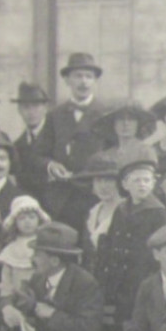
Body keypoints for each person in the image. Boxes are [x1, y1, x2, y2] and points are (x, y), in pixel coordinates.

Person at [95, 154, 166, 326]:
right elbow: (111, 242)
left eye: (146, 180)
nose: (142, 185)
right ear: (125, 185)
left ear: (153, 184)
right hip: (120, 283)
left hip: (143, 282)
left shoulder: (158, 213)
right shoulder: (121, 209)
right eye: (136, 181)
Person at [44, 53, 110, 224]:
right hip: (61, 199)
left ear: (95, 81)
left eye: (89, 76)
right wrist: (51, 165)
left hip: (94, 196)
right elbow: (39, 153)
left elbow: (114, 153)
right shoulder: (55, 115)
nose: (83, 82)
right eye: (78, 76)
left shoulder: (106, 114)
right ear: (67, 80)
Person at [75, 152, 127, 302]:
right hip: (91, 286)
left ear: (118, 183)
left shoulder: (127, 211)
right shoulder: (92, 212)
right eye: (98, 180)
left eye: (109, 180)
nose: (103, 186)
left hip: (117, 288)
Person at [0, 195, 52, 303]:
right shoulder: (11, 248)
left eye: (32, 217)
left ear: (39, 220)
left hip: (42, 296)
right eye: (22, 218)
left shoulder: (45, 245)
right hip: (17, 297)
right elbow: (6, 279)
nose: (27, 222)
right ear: (15, 223)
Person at [10, 81, 55, 205]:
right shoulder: (18, 145)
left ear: (45, 108)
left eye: (36, 106)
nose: (31, 112)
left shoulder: (57, 135)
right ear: (19, 110)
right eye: (26, 107)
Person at [96, 101, 158, 166]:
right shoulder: (106, 155)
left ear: (138, 124)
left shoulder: (145, 152)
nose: (126, 123)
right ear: (114, 124)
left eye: (131, 119)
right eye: (120, 119)